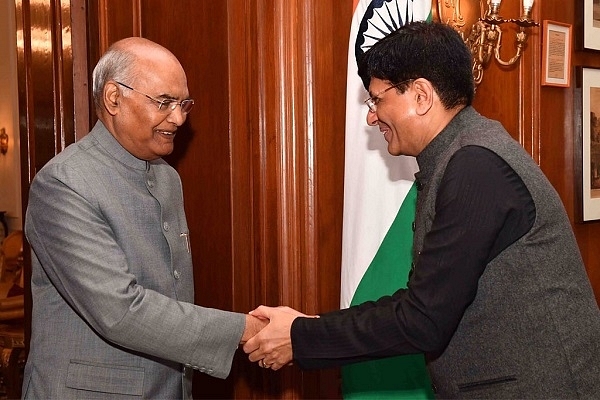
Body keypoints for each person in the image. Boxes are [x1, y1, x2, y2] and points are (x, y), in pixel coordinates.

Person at [243, 21, 600, 398]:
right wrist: (308, 327)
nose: (371, 116)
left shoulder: (474, 165)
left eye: (377, 100)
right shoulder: (460, 154)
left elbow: (424, 318)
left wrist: (302, 336)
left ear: (421, 96)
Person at [22, 37, 266, 399]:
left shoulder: (167, 177)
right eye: (164, 102)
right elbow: (119, 310)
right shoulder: (64, 183)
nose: (179, 118)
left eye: (184, 104)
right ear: (113, 98)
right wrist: (244, 329)